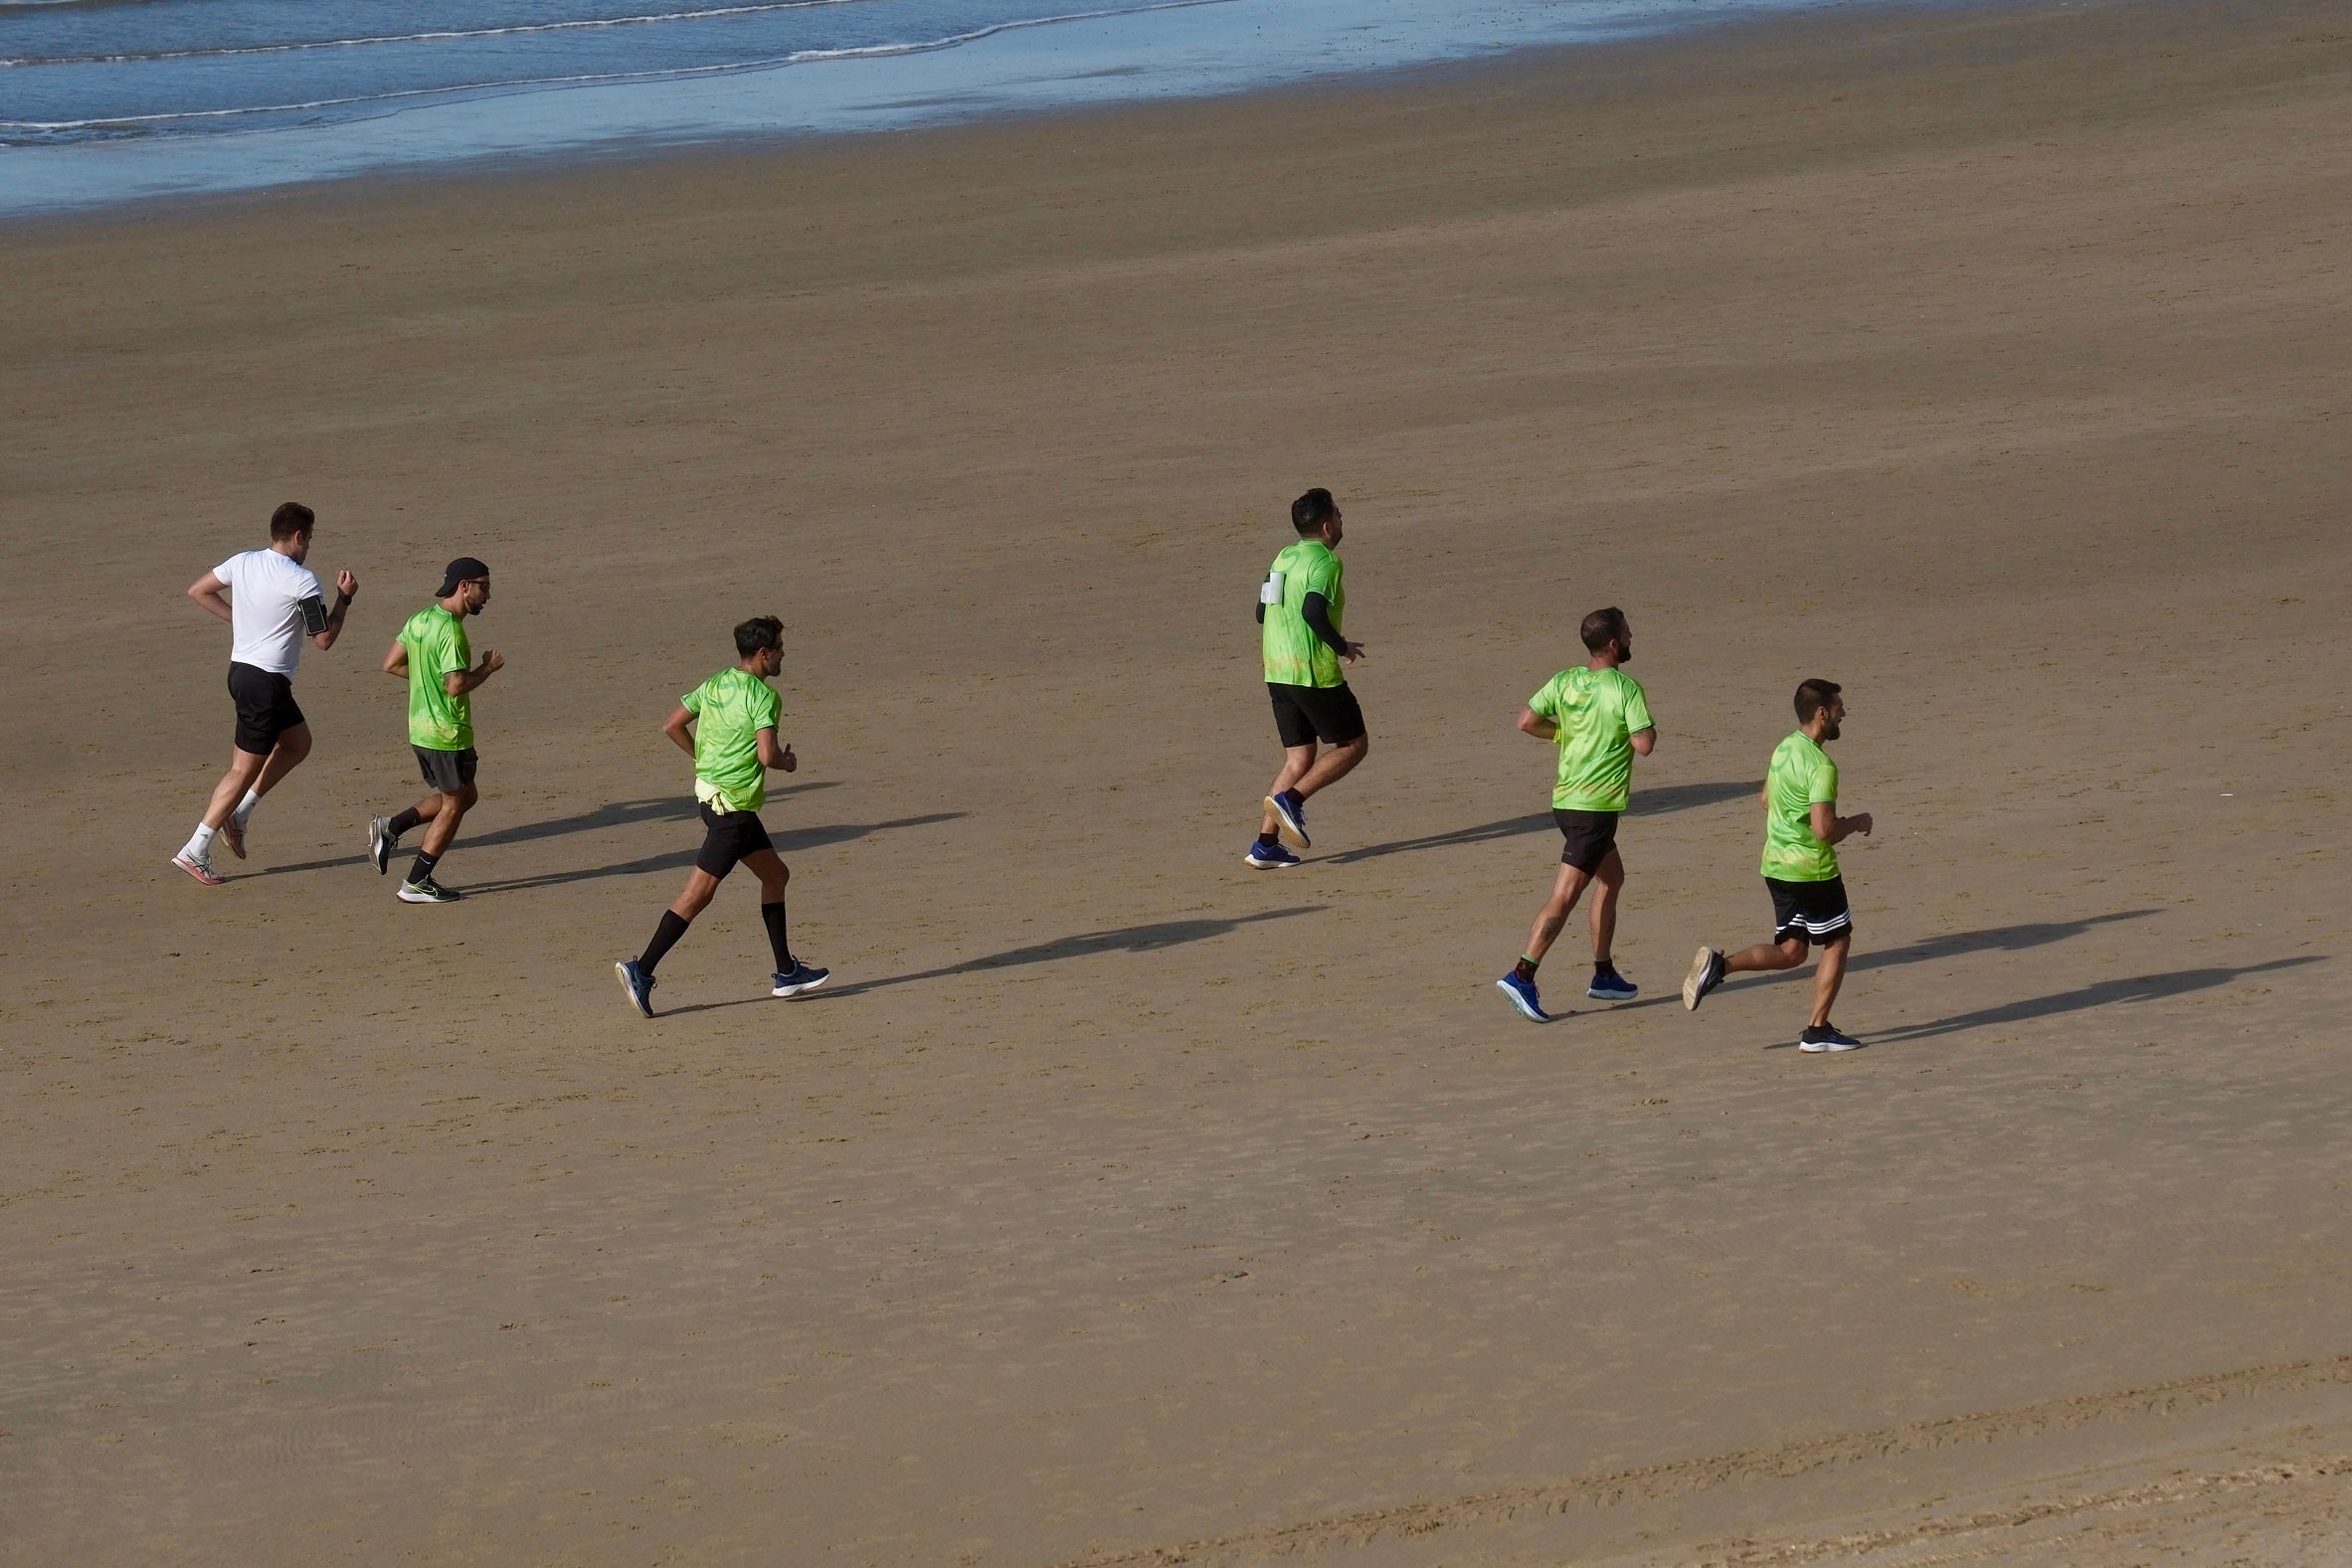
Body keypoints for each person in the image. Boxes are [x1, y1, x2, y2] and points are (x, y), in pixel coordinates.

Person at [615, 615, 828, 1017]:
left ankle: (786, 972)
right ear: (763, 654)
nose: (784, 654)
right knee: (697, 896)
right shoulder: (764, 697)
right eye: (780, 648)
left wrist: (703, 758)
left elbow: (671, 724)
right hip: (733, 811)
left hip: (715, 801)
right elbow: (767, 754)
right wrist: (786, 762)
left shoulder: (715, 683)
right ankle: (641, 970)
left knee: (775, 875)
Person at [1681, 679, 1873, 1052]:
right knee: (1836, 941)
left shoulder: (1783, 748)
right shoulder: (1821, 766)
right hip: (1812, 871)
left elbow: (1766, 800)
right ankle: (1817, 1030)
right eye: (1838, 708)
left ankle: (1720, 967)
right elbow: (1824, 831)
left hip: (1775, 865)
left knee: (1792, 951)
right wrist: (1857, 822)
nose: (1843, 713)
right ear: (1822, 713)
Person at [173, 502, 358, 884]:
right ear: (297, 537)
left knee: (298, 743)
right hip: (267, 684)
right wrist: (345, 599)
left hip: (241, 673)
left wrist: (237, 619)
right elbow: (323, 639)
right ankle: (196, 848)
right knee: (242, 770)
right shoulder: (301, 580)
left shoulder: (242, 562)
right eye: (308, 539)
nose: (308, 547)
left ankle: (239, 815)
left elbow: (199, 590)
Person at [1495, 608, 1657, 1022]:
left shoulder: (1565, 680)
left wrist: (1564, 734)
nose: (1632, 635)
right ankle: (1522, 974)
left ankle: (1604, 974)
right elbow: (1644, 744)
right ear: (1615, 643)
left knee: (1613, 878)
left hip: (1566, 802)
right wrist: (1635, 729)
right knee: (1565, 896)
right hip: (1595, 810)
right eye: (1627, 632)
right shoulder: (1625, 688)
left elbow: (1527, 721)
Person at [1247, 487, 1367, 868]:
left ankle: (1266, 845)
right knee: (1353, 745)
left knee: (1299, 757)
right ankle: (1291, 801)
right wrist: (1341, 646)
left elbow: (1261, 612)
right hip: (1310, 672)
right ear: (1328, 526)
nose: (1342, 518)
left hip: (1276, 671)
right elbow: (1314, 611)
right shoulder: (1327, 562)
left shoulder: (1282, 556)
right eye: (1339, 513)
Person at [369, 558, 500, 904]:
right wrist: (487, 668)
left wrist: (426, 681)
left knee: (463, 795)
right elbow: (456, 685)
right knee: (455, 803)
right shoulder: (452, 632)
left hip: (420, 730)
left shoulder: (419, 620)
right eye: (483, 586)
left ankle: (391, 827)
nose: (488, 594)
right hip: (447, 734)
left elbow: (391, 663)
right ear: (464, 586)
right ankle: (417, 881)